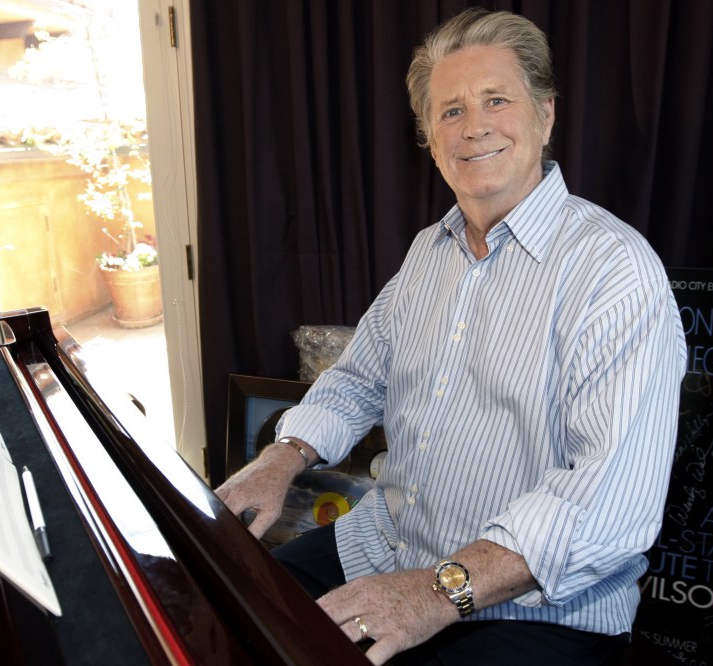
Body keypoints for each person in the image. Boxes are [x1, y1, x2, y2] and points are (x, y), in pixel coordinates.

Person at [216, 8, 686, 665]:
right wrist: (282, 456)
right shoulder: (427, 254)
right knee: (236, 619)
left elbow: (603, 509)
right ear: (430, 139)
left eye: (497, 100)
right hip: (390, 542)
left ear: (546, 116)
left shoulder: (614, 271)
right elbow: (356, 380)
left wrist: (434, 595)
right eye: (450, 111)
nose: (475, 128)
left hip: (539, 602)